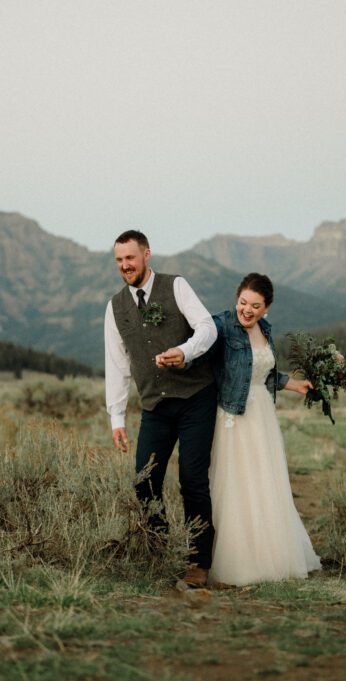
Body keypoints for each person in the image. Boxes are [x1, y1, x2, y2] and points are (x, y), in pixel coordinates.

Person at [104, 230, 218, 587]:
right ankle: (160, 552)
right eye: (120, 260)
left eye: (131, 258)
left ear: (147, 255)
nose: (125, 266)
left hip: (196, 398)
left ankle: (199, 562)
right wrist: (117, 417)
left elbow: (207, 327)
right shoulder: (115, 306)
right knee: (145, 480)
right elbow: (117, 364)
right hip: (155, 405)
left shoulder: (176, 286)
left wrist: (186, 351)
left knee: (192, 480)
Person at [206, 273, 322, 587]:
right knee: (238, 483)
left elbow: (265, 372)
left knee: (265, 480)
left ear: (266, 307)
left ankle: (273, 554)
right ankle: (240, 560)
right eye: (243, 302)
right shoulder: (221, 326)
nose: (247, 310)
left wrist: (295, 384)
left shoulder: (264, 329)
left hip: (263, 415)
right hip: (234, 415)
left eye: (255, 306)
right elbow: (198, 349)